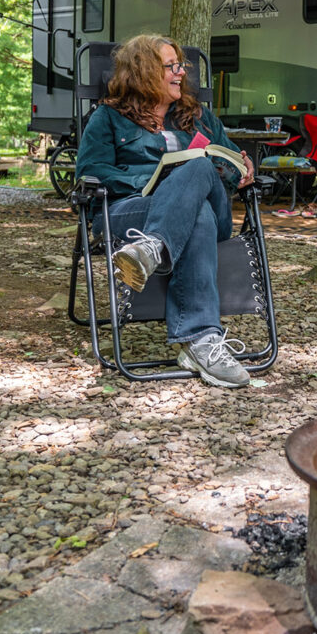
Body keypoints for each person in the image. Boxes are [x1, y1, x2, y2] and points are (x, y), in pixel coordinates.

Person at [75, 34, 257, 388]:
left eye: (181, 65)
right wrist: (158, 180)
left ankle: (152, 249)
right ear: (143, 72)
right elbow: (91, 173)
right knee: (196, 212)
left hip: (199, 216)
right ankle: (201, 341)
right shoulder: (108, 118)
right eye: (171, 66)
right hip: (131, 213)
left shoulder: (198, 118)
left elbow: (232, 162)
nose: (180, 72)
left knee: (200, 168)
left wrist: (242, 168)